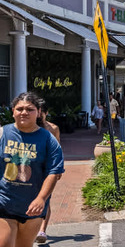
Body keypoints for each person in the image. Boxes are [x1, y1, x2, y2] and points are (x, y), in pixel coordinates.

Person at [0, 92, 65, 247]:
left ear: (38, 112)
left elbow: (54, 172)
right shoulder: (3, 133)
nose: (24, 112)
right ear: (13, 111)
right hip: (4, 202)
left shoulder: (48, 139)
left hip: (33, 207)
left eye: (30, 109)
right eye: (19, 108)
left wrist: (41, 198)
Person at [34, 100, 60, 244]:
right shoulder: (30, 128)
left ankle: (42, 230)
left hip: (48, 169)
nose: (38, 115)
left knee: (46, 198)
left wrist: (59, 168)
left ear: (46, 113)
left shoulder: (53, 128)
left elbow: (58, 149)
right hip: (32, 169)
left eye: (40, 113)